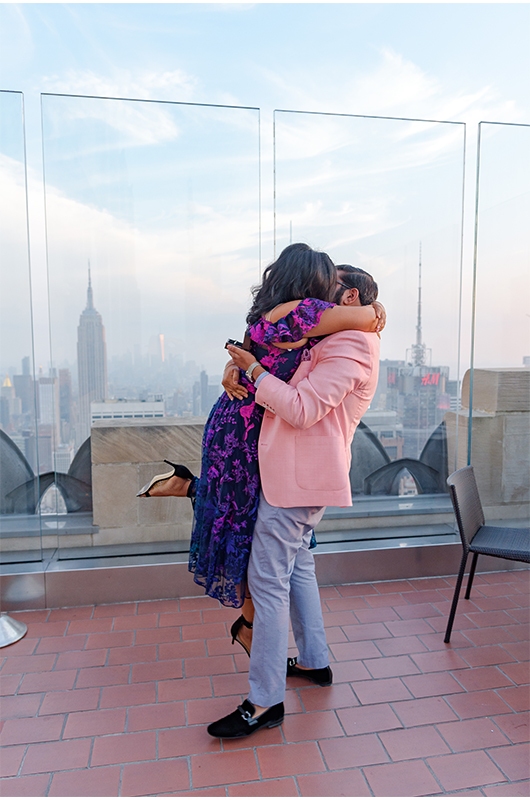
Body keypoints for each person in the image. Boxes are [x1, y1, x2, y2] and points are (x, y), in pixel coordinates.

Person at [138, 246, 384, 619]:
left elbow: (250, 351)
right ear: (312, 280)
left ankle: (189, 486)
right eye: (328, 278)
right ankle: (251, 629)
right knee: (247, 525)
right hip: (250, 429)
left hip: (233, 422)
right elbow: (366, 319)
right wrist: (375, 309)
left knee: (241, 515)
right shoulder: (309, 313)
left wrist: (235, 365)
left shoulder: (262, 316)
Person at [206, 265, 381, 739]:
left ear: (352, 297)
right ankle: (314, 661)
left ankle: (264, 702)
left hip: (299, 482)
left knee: (267, 581)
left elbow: (303, 410)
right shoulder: (334, 334)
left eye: (331, 285)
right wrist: (236, 368)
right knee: (298, 565)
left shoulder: (353, 345)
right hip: (292, 476)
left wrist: (254, 371)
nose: (320, 293)